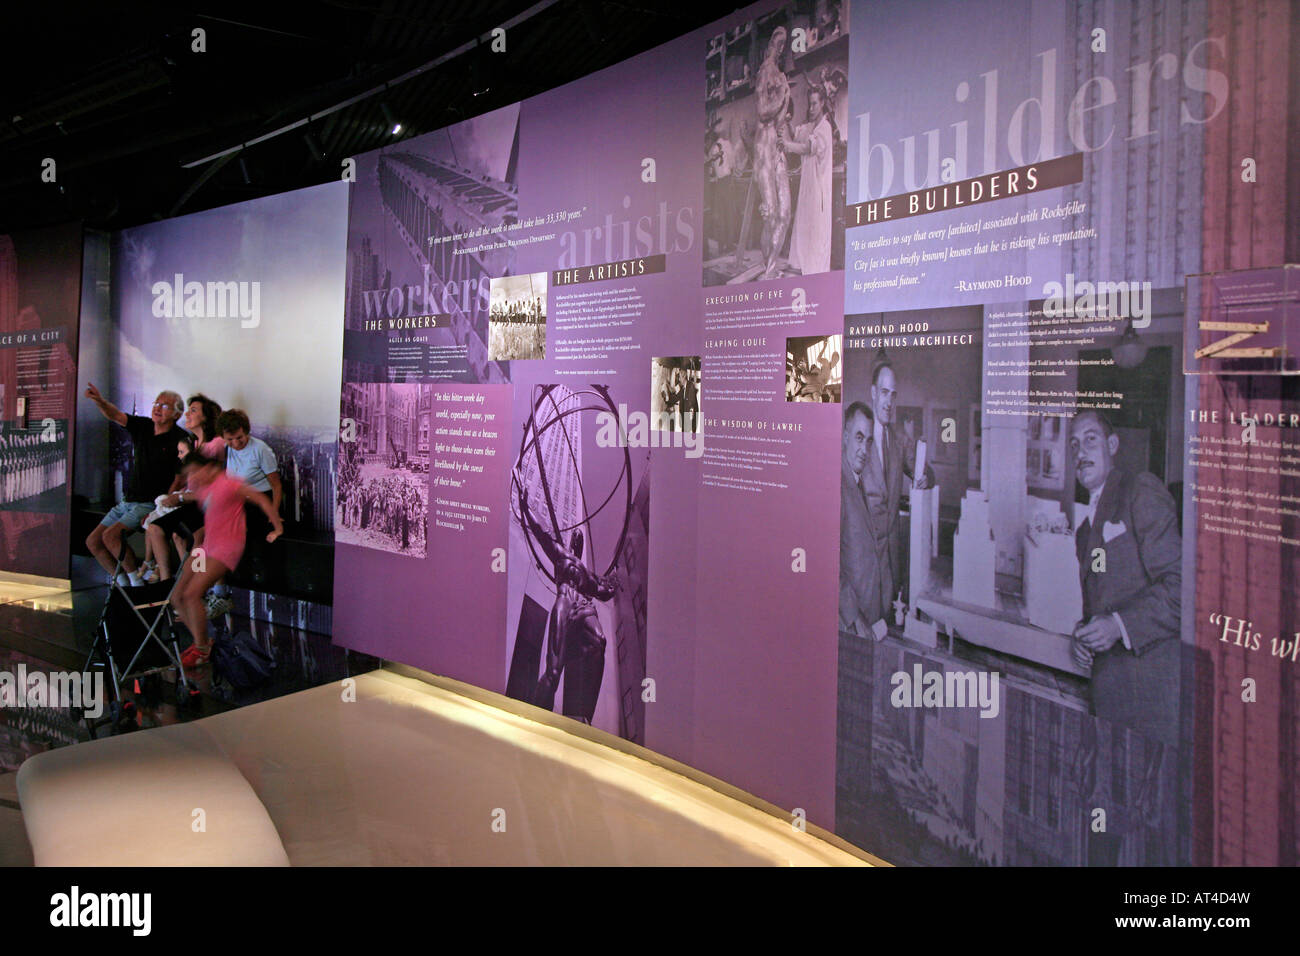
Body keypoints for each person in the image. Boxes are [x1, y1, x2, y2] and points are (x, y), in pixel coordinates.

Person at [1068, 410, 1181, 745]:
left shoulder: (1139, 490)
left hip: (1152, 697)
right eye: (1074, 445)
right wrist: (1082, 634)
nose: (1081, 452)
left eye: (1090, 439)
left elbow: (1183, 590)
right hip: (1108, 696)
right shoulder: (1084, 531)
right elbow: (1099, 605)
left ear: (1112, 445)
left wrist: (1118, 626)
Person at [170, 453, 282, 666]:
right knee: (177, 596)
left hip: (225, 549)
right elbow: (209, 509)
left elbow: (260, 499)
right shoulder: (205, 488)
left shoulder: (230, 484)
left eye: (195, 472)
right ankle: (200, 641)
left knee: (192, 594)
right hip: (206, 548)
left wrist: (277, 527)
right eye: (189, 474)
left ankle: (202, 648)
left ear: (210, 468)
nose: (192, 477)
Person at [520, 486, 618, 724]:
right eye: (575, 535)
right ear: (569, 540)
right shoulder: (560, 554)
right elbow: (541, 532)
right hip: (566, 600)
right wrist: (525, 506)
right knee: (553, 670)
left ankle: (581, 715)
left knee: (599, 641)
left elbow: (605, 592)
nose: (578, 538)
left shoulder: (588, 574)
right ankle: (536, 718)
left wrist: (615, 579)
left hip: (585, 607)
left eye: (580, 538)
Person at [83, 383, 188, 585]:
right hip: (128, 500)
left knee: (111, 536)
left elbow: (179, 479)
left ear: (177, 414)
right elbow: (116, 415)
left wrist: (161, 509)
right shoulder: (143, 426)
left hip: (149, 503)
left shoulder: (180, 439)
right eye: (156, 403)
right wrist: (99, 400)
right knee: (93, 542)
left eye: (165, 406)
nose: (157, 408)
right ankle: (122, 584)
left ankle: (136, 585)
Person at [860, 361, 934, 613]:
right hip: (864, 559)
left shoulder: (901, 440)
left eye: (893, 395)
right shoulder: (857, 440)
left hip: (892, 560)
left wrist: (924, 477)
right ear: (873, 392)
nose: (889, 402)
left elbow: (926, 471)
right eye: (883, 393)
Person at [144, 394, 226, 581]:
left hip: (208, 505)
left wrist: (180, 498)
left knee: (194, 536)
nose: (187, 414)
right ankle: (172, 580)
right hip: (191, 501)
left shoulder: (216, 445)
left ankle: (198, 582)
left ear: (206, 418)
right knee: (159, 529)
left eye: (193, 411)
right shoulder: (194, 444)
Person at [840, 401, 886, 636]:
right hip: (850, 624)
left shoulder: (856, 481)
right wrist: (854, 617)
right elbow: (828, 564)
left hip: (867, 618)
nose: (864, 449)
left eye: (869, 441)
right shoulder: (836, 484)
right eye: (859, 438)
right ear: (845, 436)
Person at [218, 408, 282, 570]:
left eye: (239, 437)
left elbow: (276, 485)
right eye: (230, 439)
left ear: (246, 431)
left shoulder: (260, 449)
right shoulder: (226, 449)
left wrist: (274, 513)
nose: (236, 443)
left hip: (260, 501)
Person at [783, 82, 834, 275]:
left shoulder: (825, 128)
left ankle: (814, 271)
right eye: (809, 104)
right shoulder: (812, 127)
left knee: (815, 230)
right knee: (804, 223)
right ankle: (801, 265)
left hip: (818, 188)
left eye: (814, 104)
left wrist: (786, 145)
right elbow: (799, 140)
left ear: (823, 104)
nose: (811, 108)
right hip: (808, 185)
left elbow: (806, 148)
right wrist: (787, 126)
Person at [753, 26, 792, 279]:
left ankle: (770, 267)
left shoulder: (778, 73)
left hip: (776, 143)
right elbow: (762, 110)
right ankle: (768, 267)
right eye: (777, 43)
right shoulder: (766, 71)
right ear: (770, 45)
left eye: (783, 45)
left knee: (785, 212)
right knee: (771, 212)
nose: (780, 49)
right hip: (764, 145)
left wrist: (785, 99)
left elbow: (778, 115)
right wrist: (782, 94)